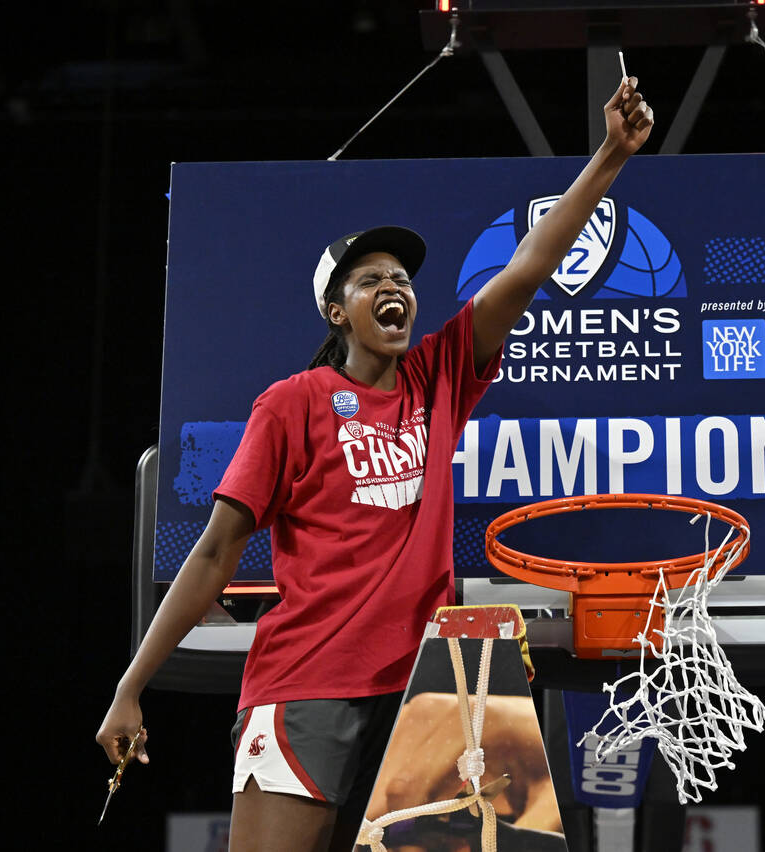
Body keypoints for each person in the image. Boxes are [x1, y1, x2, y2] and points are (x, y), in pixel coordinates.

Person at [96, 75, 654, 852]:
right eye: (371, 280)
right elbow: (217, 551)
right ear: (338, 310)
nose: (393, 287)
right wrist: (131, 686)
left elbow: (527, 265)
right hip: (304, 685)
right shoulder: (292, 403)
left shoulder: (441, 375)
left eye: (401, 279)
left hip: (426, 685)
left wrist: (610, 158)